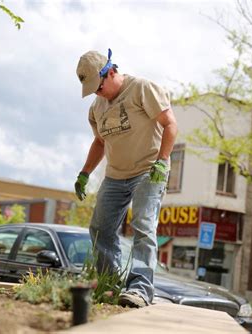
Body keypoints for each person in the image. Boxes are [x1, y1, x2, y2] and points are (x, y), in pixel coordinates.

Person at [74, 49, 177, 308]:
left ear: (110, 72)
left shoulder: (141, 88)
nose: (97, 94)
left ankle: (140, 290)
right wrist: (85, 173)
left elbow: (170, 124)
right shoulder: (96, 107)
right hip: (115, 175)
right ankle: (109, 285)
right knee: (100, 228)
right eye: (93, 91)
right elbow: (99, 142)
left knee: (143, 225)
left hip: (148, 170)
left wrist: (163, 161)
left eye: (98, 87)